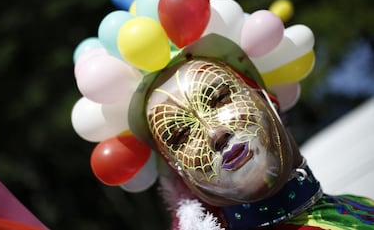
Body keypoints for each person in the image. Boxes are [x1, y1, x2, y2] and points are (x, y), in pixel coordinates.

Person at [127, 34, 374, 230]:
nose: (214, 133)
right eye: (181, 135)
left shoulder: (361, 207)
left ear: (267, 99)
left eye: (220, 98)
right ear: (178, 171)